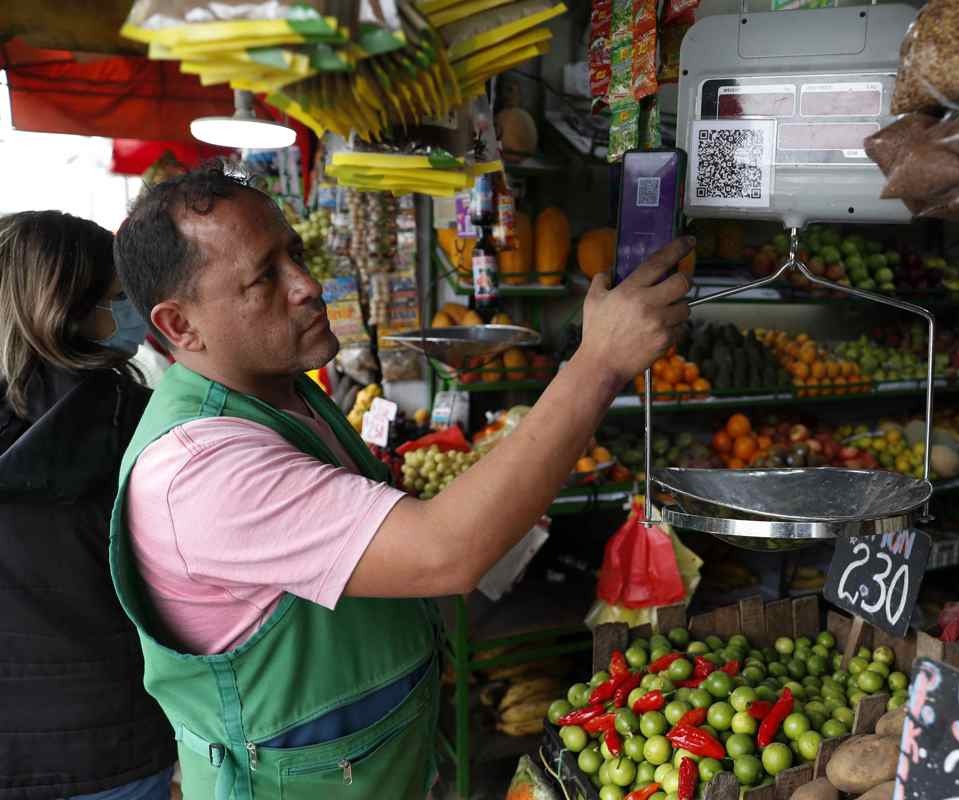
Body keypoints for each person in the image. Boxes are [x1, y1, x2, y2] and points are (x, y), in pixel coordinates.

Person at [109, 166, 692, 798]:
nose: (308, 286)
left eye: (296, 255)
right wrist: (599, 363)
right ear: (180, 326)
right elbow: (445, 553)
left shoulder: (281, 391)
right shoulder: (203, 471)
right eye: (263, 278)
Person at [0, 211, 176, 800]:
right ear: (66, 307)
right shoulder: (141, 420)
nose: (132, 315)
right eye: (119, 298)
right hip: (113, 741)